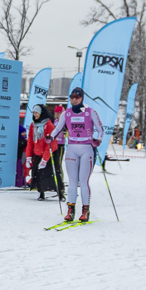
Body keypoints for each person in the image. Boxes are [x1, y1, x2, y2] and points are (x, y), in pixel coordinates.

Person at [53, 87, 102, 223]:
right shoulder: (66, 113)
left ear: (82, 98)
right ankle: (70, 210)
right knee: (72, 182)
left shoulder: (90, 112)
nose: (74, 100)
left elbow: (101, 130)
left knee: (83, 181)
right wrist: (50, 137)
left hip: (86, 148)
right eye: (72, 97)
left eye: (77, 97)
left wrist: (98, 140)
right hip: (72, 148)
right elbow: (57, 128)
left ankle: (85, 210)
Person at [24, 105, 59, 201]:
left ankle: (59, 192)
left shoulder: (49, 125)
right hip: (37, 153)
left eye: (37, 113)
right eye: (34, 113)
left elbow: (51, 143)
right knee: (37, 173)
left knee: (51, 174)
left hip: (49, 153)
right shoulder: (33, 125)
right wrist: (28, 156)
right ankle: (41, 192)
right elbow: (30, 141)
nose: (35, 115)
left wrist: (45, 159)